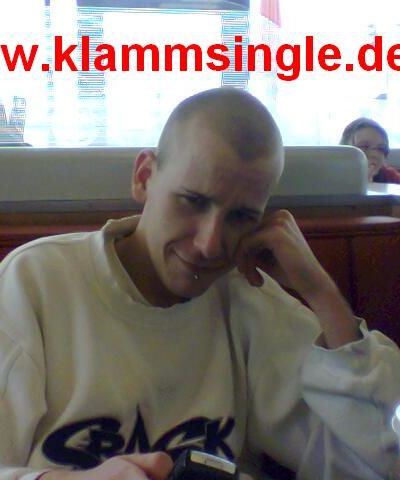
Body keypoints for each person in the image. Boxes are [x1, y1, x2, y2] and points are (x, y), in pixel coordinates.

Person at [1, 88, 400, 480]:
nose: (209, 244)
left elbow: (381, 456)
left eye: (240, 217)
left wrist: (321, 293)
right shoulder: (35, 281)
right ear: (144, 178)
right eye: (192, 201)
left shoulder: (248, 299)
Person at [340, 117, 400, 183]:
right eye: (364, 146)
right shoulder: (334, 174)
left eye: (380, 148)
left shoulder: (387, 175)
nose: (374, 154)